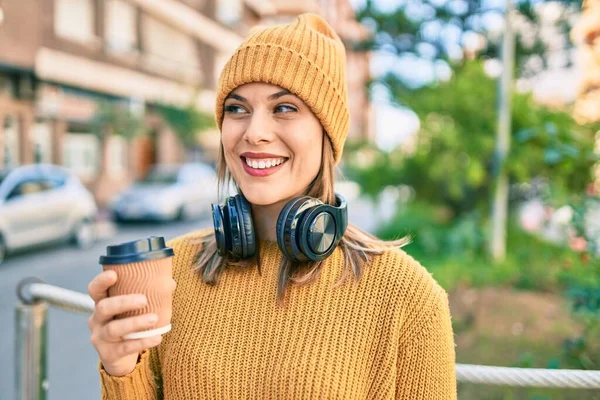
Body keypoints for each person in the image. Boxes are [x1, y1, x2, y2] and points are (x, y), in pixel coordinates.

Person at [88, 13, 457, 399]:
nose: (254, 132)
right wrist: (121, 367)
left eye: (284, 108)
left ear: (327, 134)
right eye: (237, 108)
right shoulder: (171, 272)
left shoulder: (408, 298)